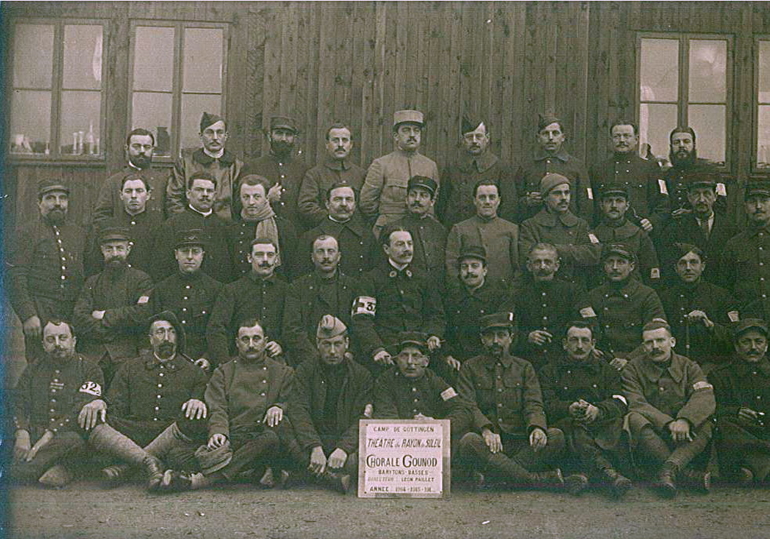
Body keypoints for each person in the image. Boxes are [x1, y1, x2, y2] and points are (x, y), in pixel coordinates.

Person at [11, 319, 165, 490]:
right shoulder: (34, 368)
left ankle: (17, 472)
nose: (57, 344)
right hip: (34, 431)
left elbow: (78, 409)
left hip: (65, 437)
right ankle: (54, 469)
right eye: (50, 340)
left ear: (74, 341)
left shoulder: (91, 370)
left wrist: (48, 436)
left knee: (74, 442)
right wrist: (22, 432)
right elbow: (19, 401)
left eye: (63, 338)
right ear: (43, 344)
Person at [179, 319, 294, 491]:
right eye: (245, 339)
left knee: (270, 440)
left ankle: (210, 479)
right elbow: (217, 407)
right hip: (233, 436)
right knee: (177, 456)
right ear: (237, 343)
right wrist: (218, 433)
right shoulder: (224, 372)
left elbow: (291, 400)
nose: (251, 345)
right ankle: (249, 472)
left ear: (265, 341)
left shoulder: (282, 372)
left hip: (260, 435)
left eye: (256, 338)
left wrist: (279, 406)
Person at [96, 312, 208, 485]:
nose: (167, 338)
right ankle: (149, 462)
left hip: (170, 433)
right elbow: (114, 404)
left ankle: (127, 468)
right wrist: (100, 403)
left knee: (193, 419)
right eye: (160, 332)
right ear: (150, 339)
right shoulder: (130, 367)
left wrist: (197, 400)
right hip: (134, 431)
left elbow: (199, 405)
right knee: (95, 419)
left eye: (171, 332)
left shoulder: (193, 372)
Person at [456, 312, 566, 488]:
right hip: (487, 443)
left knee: (556, 436)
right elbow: (468, 406)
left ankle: (496, 477)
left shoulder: (524, 367)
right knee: (468, 441)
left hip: (520, 441)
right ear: (482, 339)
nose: (495, 341)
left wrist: (537, 427)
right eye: (490, 336)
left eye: (501, 335)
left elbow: (533, 403)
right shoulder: (469, 367)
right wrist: (486, 430)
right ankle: (535, 481)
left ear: (511, 338)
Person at [621, 320, 715, 498]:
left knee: (707, 423)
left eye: (660, 340)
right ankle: (685, 473)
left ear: (672, 342)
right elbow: (636, 401)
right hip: (653, 437)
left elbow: (704, 396)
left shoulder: (689, 366)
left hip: (686, 436)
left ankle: (669, 469)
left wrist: (685, 419)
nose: (655, 347)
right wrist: (668, 423)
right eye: (649, 342)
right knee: (633, 418)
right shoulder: (632, 369)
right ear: (643, 346)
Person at [539, 322, 631, 497]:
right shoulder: (549, 371)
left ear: (593, 343)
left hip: (600, 426)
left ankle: (584, 475)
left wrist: (599, 410)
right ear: (564, 343)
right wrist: (568, 408)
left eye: (585, 340)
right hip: (568, 427)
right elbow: (545, 403)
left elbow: (620, 401)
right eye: (574, 340)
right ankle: (608, 473)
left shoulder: (607, 371)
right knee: (575, 427)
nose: (579, 346)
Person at [284, 316, 373, 493]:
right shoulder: (305, 370)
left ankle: (302, 474)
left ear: (347, 343)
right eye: (326, 344)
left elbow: (363, 418)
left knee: (359, 460)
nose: (332, 351)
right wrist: (314, 447)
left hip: (342, 442)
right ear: (317, 344)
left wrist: (343, 449)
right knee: (280, 425)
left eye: (337, 344)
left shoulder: (361, 375)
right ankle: (330, 478)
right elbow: (299, 410)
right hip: (312, 442)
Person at [6, 179, 86, 363]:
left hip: (72, 310)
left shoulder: (79, 233)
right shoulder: (26, 233)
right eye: (50, 198)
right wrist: (28, 315)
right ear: (39, 203)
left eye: (62, 198)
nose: (57, 203)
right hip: (40, 310)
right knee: (39, 364)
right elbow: (15, 275)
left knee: (73, 364)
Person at [352, 226, 445, 374]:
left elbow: (436, 314)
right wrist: (376, 349)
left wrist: (433, 335)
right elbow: (362, 320)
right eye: (400, 244)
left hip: (420, 350)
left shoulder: (424, 279)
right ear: (386, 249)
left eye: (410, 244)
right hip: (387, 354)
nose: (407, 249)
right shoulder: (371, 279)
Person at [72, 227, 153, 385]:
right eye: (109, 249)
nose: (115, 253)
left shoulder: (141, 280)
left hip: (126, 354)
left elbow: (143, 314)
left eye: (119, 248)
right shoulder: (92, 282)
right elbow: (79, 318)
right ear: (102, 250)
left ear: (128, 249)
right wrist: (114, 329)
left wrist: (105, 316)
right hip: (94, 354)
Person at [373, 331, 472, 452]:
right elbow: (386, 416)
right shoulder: (385, 381)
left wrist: (437, 425)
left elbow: (461, 410)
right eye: (404, 355)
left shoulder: (434, 380)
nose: (409, 361)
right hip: (396, 446)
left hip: (431, 445)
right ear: (397, 359)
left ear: (426, 361)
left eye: (416, 356)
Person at [149, 230, 224, 372]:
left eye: (195, 252)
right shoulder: (162, 289)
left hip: (201, 362)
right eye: (185, 251)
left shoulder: (216, 289)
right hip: (167, 360)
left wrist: (208, 357)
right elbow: (150, 327)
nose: (190, 257)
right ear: (176, 254)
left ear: (203, 255)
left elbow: (218, 331)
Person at [207, 238, 289, 367]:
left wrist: (281, 344)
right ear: (249, 258)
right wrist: (225, 365)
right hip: (239, 363)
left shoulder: (287, 291)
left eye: (270, 255)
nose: (265, 260)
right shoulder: (232, 290)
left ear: (277, 259)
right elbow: (216, 328)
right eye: (259, 255)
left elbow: (293, 327)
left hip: (276, 363)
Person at [510, 243, 593, 370]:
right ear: (529, 266)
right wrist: (527, 337)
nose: (542, 267)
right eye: (537, 262)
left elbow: (589, 323)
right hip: (529, 361)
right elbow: (509, 329)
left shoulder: (572, 291)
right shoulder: (518, 295)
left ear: (557, 265)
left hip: (565, 361)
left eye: (548, 262)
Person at [659, 243, 738, 372]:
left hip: (713, 368)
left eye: (693, 262)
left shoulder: (721, 296)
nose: (688, 268)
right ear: (675, 268)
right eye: (682, 263)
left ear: (703, 266)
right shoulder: (665, 298)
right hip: (675, 368)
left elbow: (734, 336)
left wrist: (711, 325)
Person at [360, 110, 440, 236]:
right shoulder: (381, 164)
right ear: (396, 136)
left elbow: (434, 200)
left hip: (422, 231)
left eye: (416, 130)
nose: (412, 135)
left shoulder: (430, 166)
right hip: (389, 229)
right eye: (406, 130)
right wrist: (384, 220)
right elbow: (366, 202)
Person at [710, 319, 770, 485]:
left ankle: (750, 470)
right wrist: (735, 412)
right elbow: (712, 409)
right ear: (736, 346)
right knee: (723, 425)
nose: (753, 348)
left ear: (766, 345)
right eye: (746, 342)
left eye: (758, 342)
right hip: (740, 436)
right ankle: (763, 469)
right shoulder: (720, 375)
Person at [586, 245, 666, 367]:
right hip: (601, 361)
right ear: (604, 266)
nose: (615, 267)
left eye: (621, 262)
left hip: (640, 362)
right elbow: (584, 329)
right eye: (610, 262)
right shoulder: (594, 296)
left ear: (631, 266)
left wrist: (629, 359)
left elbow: (658, 332)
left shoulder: (646, 295)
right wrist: (592, 350)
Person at [282, 235, 358, 365]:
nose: (326, 257)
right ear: (312, 257)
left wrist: (348, 353)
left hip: (346, 360)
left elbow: (359, 326)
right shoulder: (297, 288)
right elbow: (292, 329)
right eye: (320, 251)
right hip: (308, 361)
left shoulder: (353, 287)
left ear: (339, 256)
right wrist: (315, 359)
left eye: (331, 251)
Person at [519, 173, 601, 287]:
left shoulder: (580, 225)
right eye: (557, 193)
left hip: (574, 288)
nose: (563, 198)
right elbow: (527, 257)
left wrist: (557, 249)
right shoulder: (530, 226)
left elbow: (594, 254)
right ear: (546, 197)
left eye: (567, 193)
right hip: (541, 288)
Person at [153, 171, 233, 284]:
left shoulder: (224, 226)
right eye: (199, 190)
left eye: (209, 191)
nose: (205, 194)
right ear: (188, 194)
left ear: (214, 196)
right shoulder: (172, 225)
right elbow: (161, 266)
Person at [511, 113, 592, 223]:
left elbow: (586, 202)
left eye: (555, 133)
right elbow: (514, 201)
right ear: (538, 138)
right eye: (545, 133)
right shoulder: (526, 166)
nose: (550, 138)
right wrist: (528, 201)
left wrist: (583, 229)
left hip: (569, 228)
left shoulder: (577, 166)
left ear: (563, 137)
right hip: (536, 228)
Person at [589, 120, 668, 233]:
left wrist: (652, 221)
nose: (622, 140)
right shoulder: (598, 169)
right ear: (611, 140)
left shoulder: (650, 167)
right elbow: (590, 203)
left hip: (640, 233)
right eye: (617, 136)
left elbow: (663, 201)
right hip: (605, 233)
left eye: (627, 136)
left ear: (636, 139)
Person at [444, 245, 514, 368]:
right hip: (459, 362)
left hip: (491, 360)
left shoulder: (500, 297)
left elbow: (504, 333)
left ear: (485, 270)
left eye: (475, 266)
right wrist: (448, 355)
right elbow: (446, 331)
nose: (469, 271)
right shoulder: (452, 299)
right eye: (464, 267)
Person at [437, 116, 515, 227]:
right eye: (469, 137)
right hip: (456, 230)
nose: (474, 141)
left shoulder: (500, 168)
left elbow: (509, 206)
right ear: (463, 140)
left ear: (487, 138)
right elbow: (442, 204)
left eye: (478, 136)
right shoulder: (452, 168)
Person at [658, 177, 738, 286]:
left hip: (721, 291)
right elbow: (667, 266)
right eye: (696, 194)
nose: (701, 200)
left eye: (707, 194)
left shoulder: (730, 229)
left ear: (715, 196)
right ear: (689, 197)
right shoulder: (674, 229)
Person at [167, 112, 244, 222]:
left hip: (227, 226)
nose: (215, 138)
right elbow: (174, 199)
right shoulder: (185, 165)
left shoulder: (237, 166)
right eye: (209, 133)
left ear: (226, 136)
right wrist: (184, 224)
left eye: (220, 133)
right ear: (201, 136)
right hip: (192, 226)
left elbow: (241, 201)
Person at [85, 173, 163, 278]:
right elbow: (94, 263)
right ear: (121, 195)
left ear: (148, 195)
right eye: (128, 191)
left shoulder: (159, 226)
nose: (134, 196)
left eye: (139, 191)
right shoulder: (108, 226)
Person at [446, 180, 520, 289]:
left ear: (498, 201)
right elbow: (451, 265)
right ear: (474, 201)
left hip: (503, 294)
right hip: (469, 295)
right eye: (482, 197)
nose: (487, 202)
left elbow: (518, 267)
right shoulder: (459, 229)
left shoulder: (511, 230)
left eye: (492, 197)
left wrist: (511, 293)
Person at [299, 182, 379, 278]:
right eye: (338, 199)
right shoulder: (310, 237)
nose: (344, 204)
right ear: (327, 204)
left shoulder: (366, 236)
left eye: (349, 200)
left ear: (354, 205)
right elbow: (301, 277)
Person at [243, 116, 309, 229]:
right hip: (261, 230)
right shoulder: (253, 167)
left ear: (294, 138)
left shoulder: (303, 169)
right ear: (270, 136)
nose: (283, 139)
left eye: (288, 135)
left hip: (295, 232)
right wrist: (267, 198)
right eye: (279, 133)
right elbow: (240, 202)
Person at [227, 174, 298, 280]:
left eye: (257, 197)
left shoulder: (283, 227)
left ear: (266, 198)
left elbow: (292, 265)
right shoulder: (233, 230)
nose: (251, 202)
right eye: (246, 197)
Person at [93, 128, 169, 225]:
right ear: (127, 148)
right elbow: (101, 217)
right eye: (136, 146)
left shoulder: (164, 181)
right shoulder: (113, 182)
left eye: (146, 147)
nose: (142, 151)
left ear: (152, 149)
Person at [297, 123, 366, 228]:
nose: (340, 145)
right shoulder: (314, 174)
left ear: (351, 145)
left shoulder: (361, 174)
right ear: (327, 144)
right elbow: (307, 206)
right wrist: (334, 219)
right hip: (325, 230)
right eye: (335, 140)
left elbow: (366, 205)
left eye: (345, 140)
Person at [591, 186, 660, 286]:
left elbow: (650, 269)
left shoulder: (639, 235)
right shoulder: (593, 235)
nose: (614, 206)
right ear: (601, 205)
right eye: (609, 201)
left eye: (619, 201)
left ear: (627, 206)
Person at [722, 182, 770, 318]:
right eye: (752, 202)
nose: (758, 206)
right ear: (745, 207)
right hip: (749, 323)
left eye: (764, 201)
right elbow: (726, 287)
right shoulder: (734, 244)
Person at [393, 176, 448, 284]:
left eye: (423, 195)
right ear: (406, 199)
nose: (417, 199)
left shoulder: (440, 230)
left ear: (432, 202)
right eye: (413, 195)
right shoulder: (394, 229)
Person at [663, 126, 726, 218]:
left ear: (694, 145)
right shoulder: (668, 174)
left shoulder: (711, 170)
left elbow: (722, 203)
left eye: (686, 141)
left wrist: (691, 213)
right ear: (671, 146)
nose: (681, 145)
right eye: (676, 142)